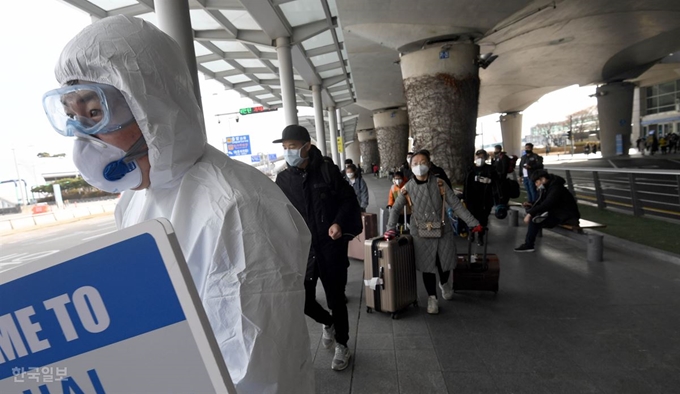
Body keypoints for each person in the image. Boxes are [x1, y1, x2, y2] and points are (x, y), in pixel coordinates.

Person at [42, 15, 314, 393]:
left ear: (150, 107)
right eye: (73, 116)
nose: (83, 136)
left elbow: (254, 374)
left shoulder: (236, 207)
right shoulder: (136, 199)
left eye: (94, 113)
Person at [273, 125, 362, 372]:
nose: (288, 152)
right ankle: (328, 322)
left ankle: (342, 344)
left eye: (292, 146)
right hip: (304, 251)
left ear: (306, 146)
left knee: (336, 299)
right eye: (285, 148)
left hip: (330, 247)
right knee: (302, 299)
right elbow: (280, 215)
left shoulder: (326, 170)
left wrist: (339, 222)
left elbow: (348, 200)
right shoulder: (282, 180)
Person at [384, 150, 483, 314]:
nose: (419, 166)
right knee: (427, 266)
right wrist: (390, 229)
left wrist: (473, 223)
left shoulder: (439, 183)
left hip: (442, 230)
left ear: (429, 165)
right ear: (410, 166)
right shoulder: (407, 188)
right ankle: (432, 298)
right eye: (415, 164)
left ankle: (444, 283)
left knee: (444, 262)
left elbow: (456, 205)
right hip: (420, 233)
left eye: (422, 162)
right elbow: (395, 209)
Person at [514, 170, 581, 252]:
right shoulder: (546, 187)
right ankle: (530, 242)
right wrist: (531, 204)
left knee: (534, 219)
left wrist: (530, 214)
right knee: (536, 216)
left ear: (543, 179)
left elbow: (547, 204)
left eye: (536, 182)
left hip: (567, 217)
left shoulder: (556, 188)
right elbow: (541, 201)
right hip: (557, 213)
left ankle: (529, 245)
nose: (536, 184)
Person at [463, 150, 501, 246]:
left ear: (486, 158)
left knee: (483, 219)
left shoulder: (491, 169)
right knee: (471, 217)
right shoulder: (471, 169)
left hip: (485, 199)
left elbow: (497, 182)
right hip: (472, 198)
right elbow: (466, 184)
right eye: (478, 156)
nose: (480, 159)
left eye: (482, 156)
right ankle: (471, 233)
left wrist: (489, 181)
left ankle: (480, 236)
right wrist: (465, 197)